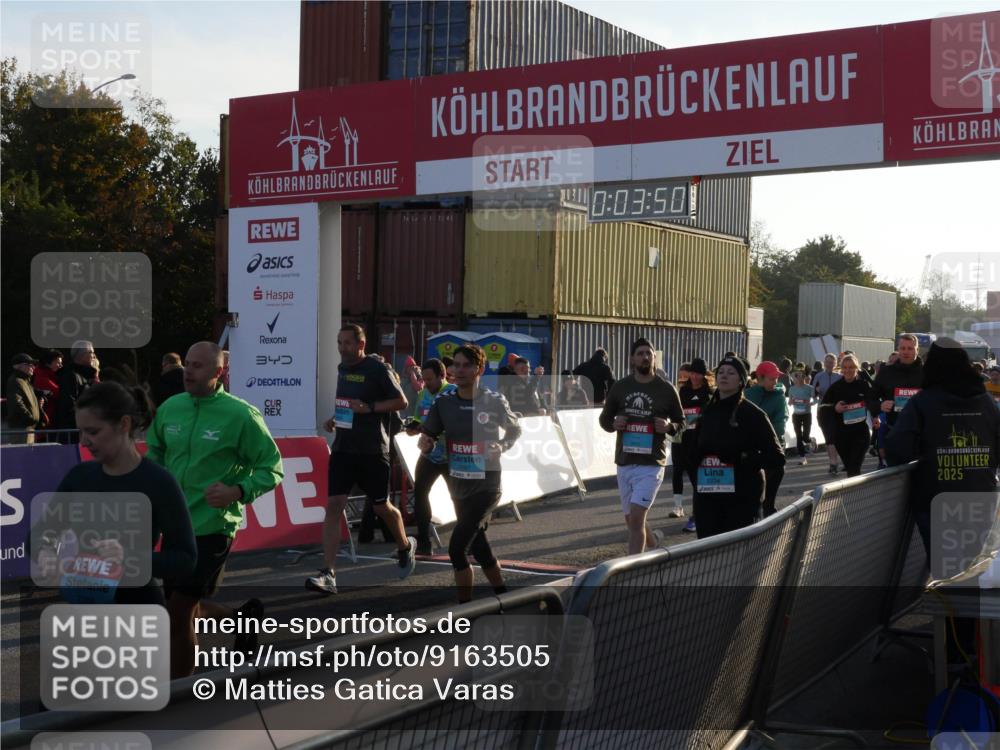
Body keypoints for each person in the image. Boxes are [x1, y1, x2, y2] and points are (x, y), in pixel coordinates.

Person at [146, 341, 283, 678]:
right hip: (175, 526)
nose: (187, 372)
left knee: (177, 612)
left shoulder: (240, 415)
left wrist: (238, 490)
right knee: (184, 607)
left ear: (219, 372)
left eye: (197, 366)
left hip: (214, 527)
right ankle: (241, 619)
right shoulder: (170, 408)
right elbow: (155, 453)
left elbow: (272, 467)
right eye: (187, 364)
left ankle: (180, 692)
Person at [38, 382, 197, 606]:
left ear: (124, 424)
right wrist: (46, 551)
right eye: (81, 431)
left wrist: (129, 558)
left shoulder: (159, 481)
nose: (84, 441)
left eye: (93, 431)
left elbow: (185, 559)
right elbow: (44, 532)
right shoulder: (79, 476)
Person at [309, 324, 413, 595]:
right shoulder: (343, 369)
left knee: (381, 508)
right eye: (339, 343)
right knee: (334, 506)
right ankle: (328, 573)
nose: (342, 348)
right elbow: (349, 402)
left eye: (347, 343)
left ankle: (404, 545)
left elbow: (401, 402)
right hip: (344, 449)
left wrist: (370, 409)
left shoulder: (378, 369)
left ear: (361, 344)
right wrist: (336, 419)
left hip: (372, 450)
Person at [419, 344, 521, 603]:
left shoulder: (494, 400)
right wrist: (425, 442)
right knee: (480, 548)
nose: (459, 370)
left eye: (466, 365)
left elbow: (515, 430)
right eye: (456, 365)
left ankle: (465, 609)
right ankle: (503, 597)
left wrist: (503, 445)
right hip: (458, 485)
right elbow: (428, 433)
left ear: (480, 369)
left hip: (487, 487)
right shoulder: (444, 402)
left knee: (456, 549)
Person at [886, 338, 1000, 554]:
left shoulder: (923, 401)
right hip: (981, 493)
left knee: (943, 562)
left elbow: (897, 448)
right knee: (972, 562)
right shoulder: (986, 402)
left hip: (935, 495)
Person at [599, 338, 684, 555]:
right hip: (625, 461)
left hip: (652, 463)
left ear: (654, 358)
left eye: (649, 353)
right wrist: (613, 423)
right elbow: (604, 419)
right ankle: (653, 542)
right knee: (631, 519)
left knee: (636, 518)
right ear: (632, 359)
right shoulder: (621, 387)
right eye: (640, 353)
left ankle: (633, 570)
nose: (645, 357)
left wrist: (668, 426)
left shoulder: (666, 389)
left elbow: (681, 423)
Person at [691, 356, 785, 538]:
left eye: (731, 372)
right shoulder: (707, 412)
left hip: (742, 499)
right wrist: (697, 456)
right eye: (721, 372)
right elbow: (694, 453)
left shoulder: (752, 414)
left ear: (741, 380)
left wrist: (741, 457)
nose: (724, 376)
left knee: (736, 558)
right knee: (708, 556)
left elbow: (777, 458)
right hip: (707, 498)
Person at [405, 358, 456, 555]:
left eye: (430, 380)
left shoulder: (452, 392)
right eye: (424, 379)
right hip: (429, 455)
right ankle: (424, 543)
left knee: (458, 498)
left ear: (442, 376)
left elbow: (456, 424)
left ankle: (469, 541)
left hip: (450, 456)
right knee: (419, 494)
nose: (426, 384)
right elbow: (419, 417)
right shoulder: (424, 393)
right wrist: (414, 428)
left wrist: (428, 429)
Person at [821, 354, 879, 477]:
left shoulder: (863, 385)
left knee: (854, 467)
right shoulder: (836, 388)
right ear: (841, 369)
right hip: (842, 435)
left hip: (860, 433)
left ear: (856, 368)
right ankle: (854, 494)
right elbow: (822, 408)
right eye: (845, 367)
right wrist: (835, 408)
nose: (848, 370)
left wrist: (875, 416)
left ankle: (854, 495)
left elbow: (872, 402)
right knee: (849, 467)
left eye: (851, 367)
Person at [744, 360, 788, 517]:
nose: (775, 382)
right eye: (771, 378)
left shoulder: (779, 396)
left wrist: (774, 441)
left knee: (777, 470)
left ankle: (769, 505)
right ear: (760, 378)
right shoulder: (747, 395)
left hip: (772, 443)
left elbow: (780, 421)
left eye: (776, 378)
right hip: (751, 445)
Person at [873, 334, 923, 469]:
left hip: (921, 438)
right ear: (898, 349)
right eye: (903, 348)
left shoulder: (928, 373)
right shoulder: (886, 372)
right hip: (894, 435)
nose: (906, 352)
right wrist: (879, 405)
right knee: (895, 482)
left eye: (910, 348)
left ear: (917, 350)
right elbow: (870, 397)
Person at [674, 358, 713, 532]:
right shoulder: (683, 391)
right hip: (683, 441)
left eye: (700, 374)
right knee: (683, 474)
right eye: (694, 373)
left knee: (699, 481)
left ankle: (697, 516)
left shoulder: (709, 393)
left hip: (701, 442)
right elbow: (676, 414)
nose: (696, 377)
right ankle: (680, 507)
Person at [53, 340, 99, 441]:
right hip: (74, 435)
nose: (93, 355)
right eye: (91, 352)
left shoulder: (87, 377)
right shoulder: (70, 376)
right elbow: (68, 405)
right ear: (81, 355)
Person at [812, 353, 843, 474]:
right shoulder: (818, 376)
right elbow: (812, 394)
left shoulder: (840, 377)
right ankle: (833, 463)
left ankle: (836, 462)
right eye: (827, 362)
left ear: (835, 364)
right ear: (824, 363)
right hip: (824, 410)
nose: (829, 364)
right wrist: (816, 390)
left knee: (836, 438)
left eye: (832, 362)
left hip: (837, 410)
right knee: (829, 438)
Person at [6, 353, 43, 444]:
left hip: (28, 428)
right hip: (21, 429)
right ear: (18, 366)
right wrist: (30, 418)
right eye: (30, 365)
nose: (33, 367)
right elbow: (17, 403)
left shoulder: (25, 381)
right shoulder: (16, 381)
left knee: (28, 456)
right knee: (21, 456)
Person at [787, 369, 816, 465]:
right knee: (799, 436)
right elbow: (789, 402)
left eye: (799, 376)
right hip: (796, 415)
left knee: (805, 437)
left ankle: (811, 440)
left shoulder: (809, 388)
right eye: (795, 376)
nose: (797, 378)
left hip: (807, 414)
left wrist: (810, 403)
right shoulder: (792, 389)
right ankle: (803, 458)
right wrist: (791, 402)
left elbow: (815, 400)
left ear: (804, 377)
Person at [32, 349, 64, 431]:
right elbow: (60, 394)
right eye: (58, 362)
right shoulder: (42, 378)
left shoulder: (49, 375)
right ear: (48, 363)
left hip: (47, 421)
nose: (61, 365)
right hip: (45, 423)